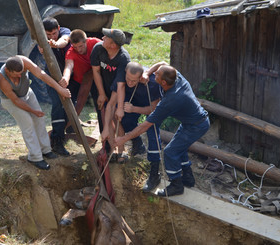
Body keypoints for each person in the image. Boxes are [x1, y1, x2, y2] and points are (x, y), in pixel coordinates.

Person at [115, 62, 210, 196]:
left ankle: (176, 184)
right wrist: (147, 73)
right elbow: (164, 63)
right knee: (179, 146)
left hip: (197, 126)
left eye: (157, 74)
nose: (155, 73)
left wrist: (124, 138)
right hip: (191, 122)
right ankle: (188, 177)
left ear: (163, 82)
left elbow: (146, 124)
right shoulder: (177, 78)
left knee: (170, 151)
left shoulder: (171, 99)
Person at [0, 55, 71, 170]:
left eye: (22, 72)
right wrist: (33, 111)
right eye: (16, 74)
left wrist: (60, 89)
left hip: (27, 93)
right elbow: (16, 101)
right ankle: (35, 157)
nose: (20, 76)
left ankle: (45, 150)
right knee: (28, 123)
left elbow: (42, 75)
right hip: (11, 101)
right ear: (7, 71)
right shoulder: (2, 79)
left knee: (39, 119)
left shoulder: (24, 62)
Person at [107, 62, 163, 188]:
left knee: (151, 130)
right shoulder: (121, 77)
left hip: (144, 106)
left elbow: (154, 110)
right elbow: (112, 103)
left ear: (141, 77)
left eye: (134, 81)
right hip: (130, 102)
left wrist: (134, 109)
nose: (130, 83)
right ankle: (137, 143)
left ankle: (154, 169)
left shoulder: (152, 83)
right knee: (124, 121)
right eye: (128, 79)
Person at [90, 28, 145, 156]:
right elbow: (96, 71)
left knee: (116, 116)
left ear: (113, 45)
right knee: (104, 116)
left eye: (106, 37)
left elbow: (120, 85)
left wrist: (120, 108)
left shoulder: (123, 58)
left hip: (117, 88)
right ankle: (110, 147)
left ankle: (121, 151)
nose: (102, 38)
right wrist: (101, 94)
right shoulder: (98, 48)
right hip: (101, 85)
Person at [40, 17, 71, 156]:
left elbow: (64, 41)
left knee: (70, 105)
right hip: (52, 76)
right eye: (48, 35)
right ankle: (57, 141)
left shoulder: (65, 31)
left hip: (69, 77)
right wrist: (45, 45)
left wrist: (55, 44)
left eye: (54, 33)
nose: (52, 37)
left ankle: (62, 133)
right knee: (58, 104)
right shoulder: (41, 38)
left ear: (58, 28)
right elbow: (41, 48)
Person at [60, 29, 101, 118]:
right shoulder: (70, 52)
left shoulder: (95, 43)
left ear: (86, 41)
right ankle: (68, 126)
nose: (78, 50)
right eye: (75, 47)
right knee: (69, 104)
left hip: (97, 79)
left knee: (100, 106)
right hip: (79, 81)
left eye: (81, 46)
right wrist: (65, 78)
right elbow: (68, 66)